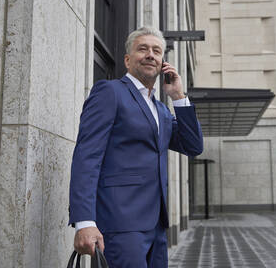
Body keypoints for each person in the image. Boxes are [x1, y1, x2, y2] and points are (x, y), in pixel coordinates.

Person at [68, 26, 203, 267]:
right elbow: (86, 157)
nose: (151, 54)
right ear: (128, 60)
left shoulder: (161, 110)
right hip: (120, 224)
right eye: (143, 49)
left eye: (157, 51)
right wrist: (84, 222)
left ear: (163, 62)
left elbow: (193, 146)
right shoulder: (110, 92)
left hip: (157, 226)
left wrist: (178, 97)